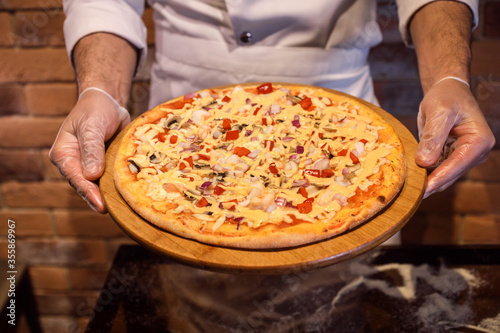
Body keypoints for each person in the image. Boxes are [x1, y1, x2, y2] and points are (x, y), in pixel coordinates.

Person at [51, 0, 494, 214]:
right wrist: (100, 91)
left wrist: (447, 77)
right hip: (180, 128)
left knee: (350, 302)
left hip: (343, 117)